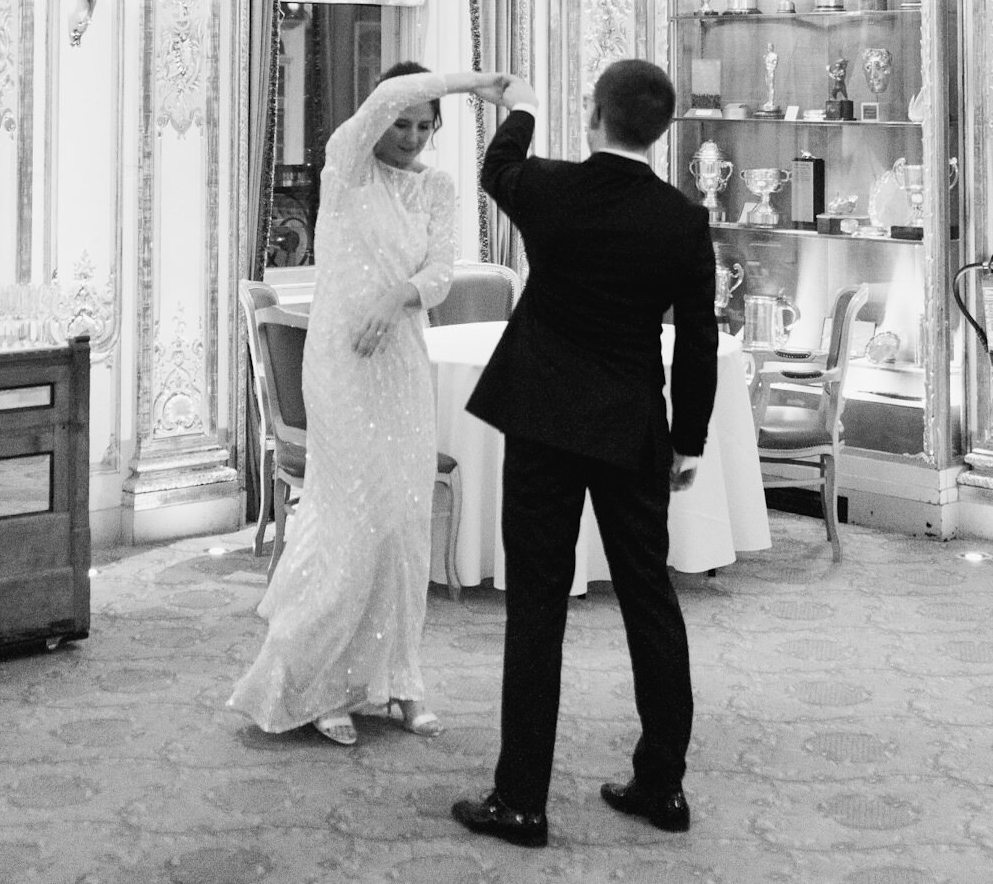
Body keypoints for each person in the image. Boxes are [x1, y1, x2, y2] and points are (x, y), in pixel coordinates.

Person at [452, 58, 719, 849]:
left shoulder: (554, 189)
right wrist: (689, 439)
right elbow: (697, 341)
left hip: (542, 421)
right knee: (649, 598)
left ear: (594, 113)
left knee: (537, 604)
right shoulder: (681, 219)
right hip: (633, 426)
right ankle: (662, 786)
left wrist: (524, 106)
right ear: (662, 129)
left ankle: (520, 799)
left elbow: (495, 167)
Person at [228, 61, 509, 746]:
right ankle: (320, 685)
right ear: (376, 122)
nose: (411, 133)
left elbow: (439, 273)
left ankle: (401, 681)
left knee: (404, 524)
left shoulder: (438, 188)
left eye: (423, 125)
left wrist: (398, 298)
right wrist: (469, 83)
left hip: (403, 363)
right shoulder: (344, 170)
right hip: (343, 365)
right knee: (351, 526)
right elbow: (386, 93)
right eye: (401, 122)